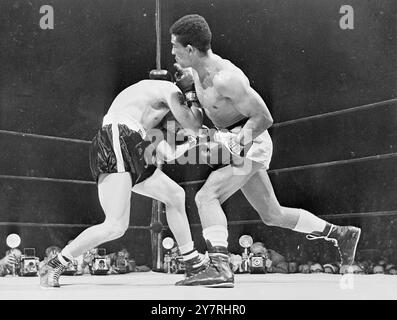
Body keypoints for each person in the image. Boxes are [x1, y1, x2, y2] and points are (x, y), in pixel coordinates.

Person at [169, 14, 361, 287]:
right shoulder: (195, 74)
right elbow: (203, 117)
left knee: (207, 196)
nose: (172, 51)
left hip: (251, 140)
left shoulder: (227, 78)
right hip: (234, 139)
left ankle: (220, 269)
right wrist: (188, 93)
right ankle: (341, 234)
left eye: (175, 45)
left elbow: (263, 118)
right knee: (272, 213)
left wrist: (234, 144)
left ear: (190, 49)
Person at [39, 78, 208, 287]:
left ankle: (192, 262)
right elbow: (193, 122)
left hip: (130, 143)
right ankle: (56, 263)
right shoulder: (169, 90)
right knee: (115, 225)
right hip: (118, 137)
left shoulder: (151, 115)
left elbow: (167, 153)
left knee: (175, 195)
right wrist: (194, 102)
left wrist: (193, 141)